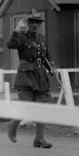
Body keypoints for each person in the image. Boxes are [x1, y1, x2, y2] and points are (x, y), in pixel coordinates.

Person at [6, 10, 55, 148]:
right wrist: (16, 31)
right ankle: (12, 125)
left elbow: (47, 56)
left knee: (42, 107)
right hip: (25, 77)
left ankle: (39, 138)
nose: (34, 25)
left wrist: (52, 67)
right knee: (25, 108)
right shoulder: (21, 37)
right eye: (31, 22)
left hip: (40, 76)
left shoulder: (42, 38)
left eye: (37, 23)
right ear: (27, 24)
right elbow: (10, 44)